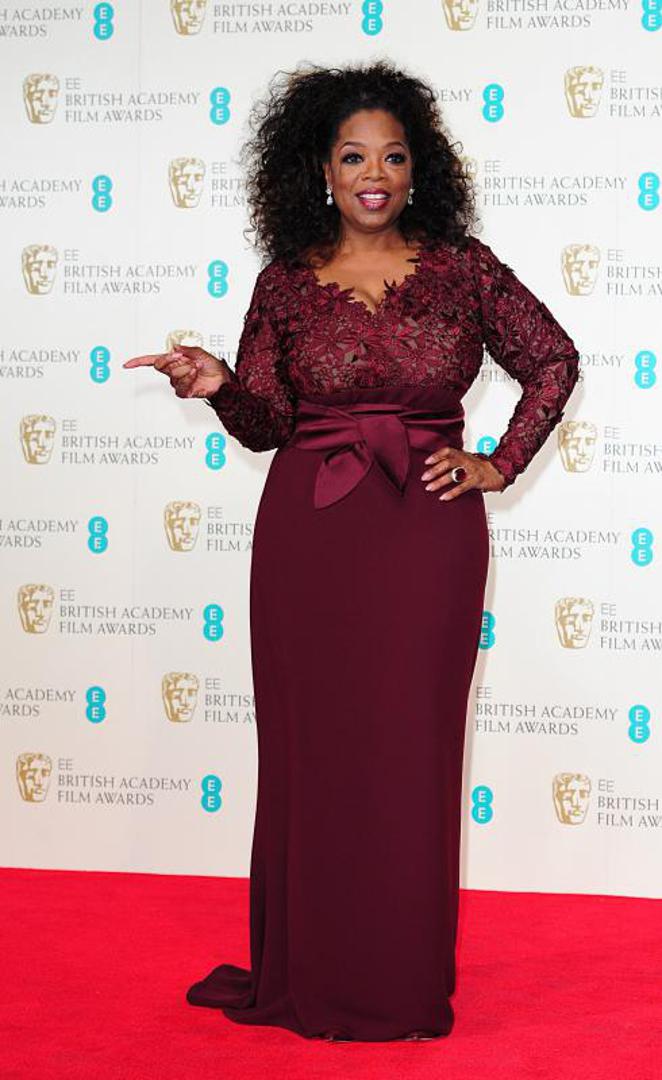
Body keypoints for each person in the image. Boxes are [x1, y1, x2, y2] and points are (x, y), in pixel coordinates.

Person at [124, 59, 580, 1043]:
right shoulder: (285, 283)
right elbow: (265, 424)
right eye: (352, 156)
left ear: (419, 168)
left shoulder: (464, 268)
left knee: (411, 748)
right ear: (318, 170)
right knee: (316, 749)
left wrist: (498, 462)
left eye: (392, 156)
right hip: (312, 535)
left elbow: (552, 358)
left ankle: (398, 983)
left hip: (427, 531)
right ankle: (316, 969)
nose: (373, 174)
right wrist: (217, 384)